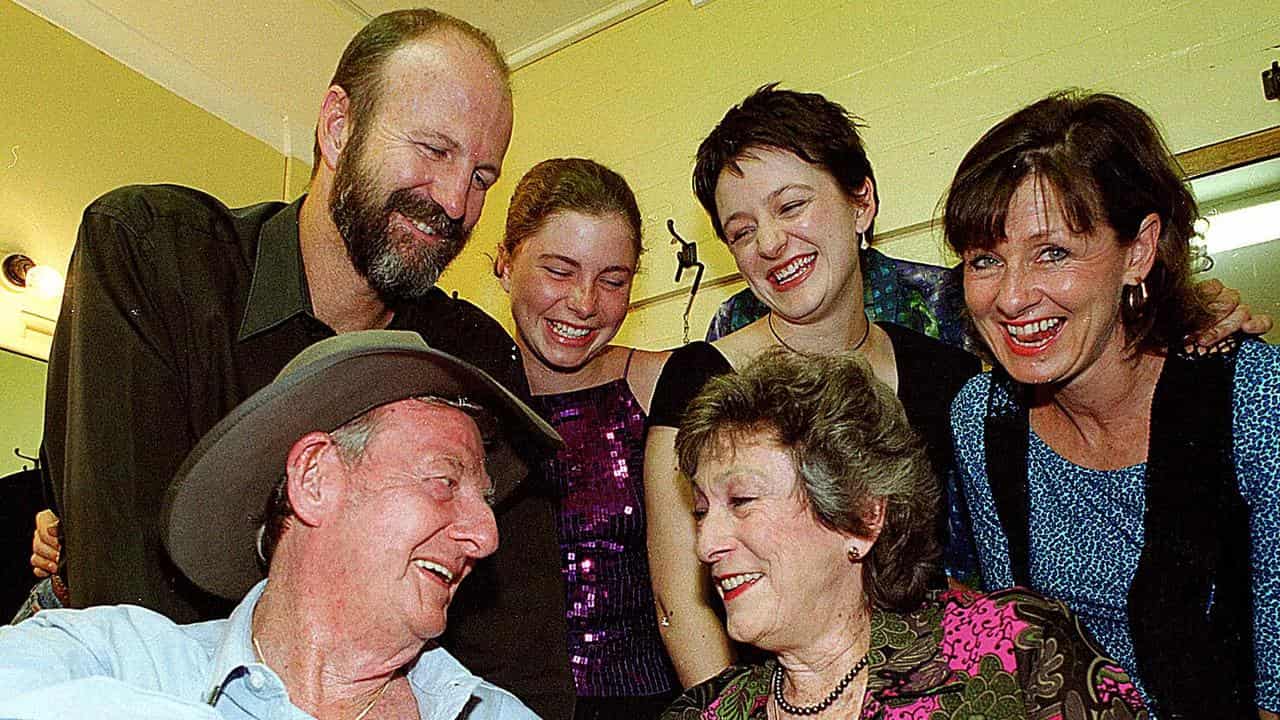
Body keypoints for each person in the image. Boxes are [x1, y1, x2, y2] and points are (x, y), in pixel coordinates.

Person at [27, 10, 578, 716]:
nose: (453, 201)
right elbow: (126, 586)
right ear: (338, 125)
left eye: (481, 175)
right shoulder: (153, 254)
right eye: (433, 150)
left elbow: (514, 643)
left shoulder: (469, 356)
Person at [0, 330, 559, 719]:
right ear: (314, 479)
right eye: (443, 481)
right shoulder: (117, 660)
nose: (486, 536)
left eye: (484, 502)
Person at [944, 91, 1279, 719]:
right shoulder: (983, 420)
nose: (1012, 297)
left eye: (1053, 252)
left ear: (1139, 250)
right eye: (986, 259)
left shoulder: (1251, 398)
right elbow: (1020, 644)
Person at [644, 85, 982, 687]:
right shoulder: (700, 379)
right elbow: (683, 604)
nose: (770, 244)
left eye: (791, 206)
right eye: (742, 231)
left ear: (862, 203)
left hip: (929, 687)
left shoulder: (946, 375)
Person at [661, 349, 1148, 719]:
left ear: (863, 517)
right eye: (702, 511)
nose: (707, 545)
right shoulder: (707, 712)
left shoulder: (1013, 647)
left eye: (742, 501)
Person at [494, 158, 679, 718]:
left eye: (613, 280)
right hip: (490, 701)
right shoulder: (454, 393)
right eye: (559, 270)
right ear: (504, 262)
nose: (584, 302)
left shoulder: (658, 383)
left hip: (647, 702)